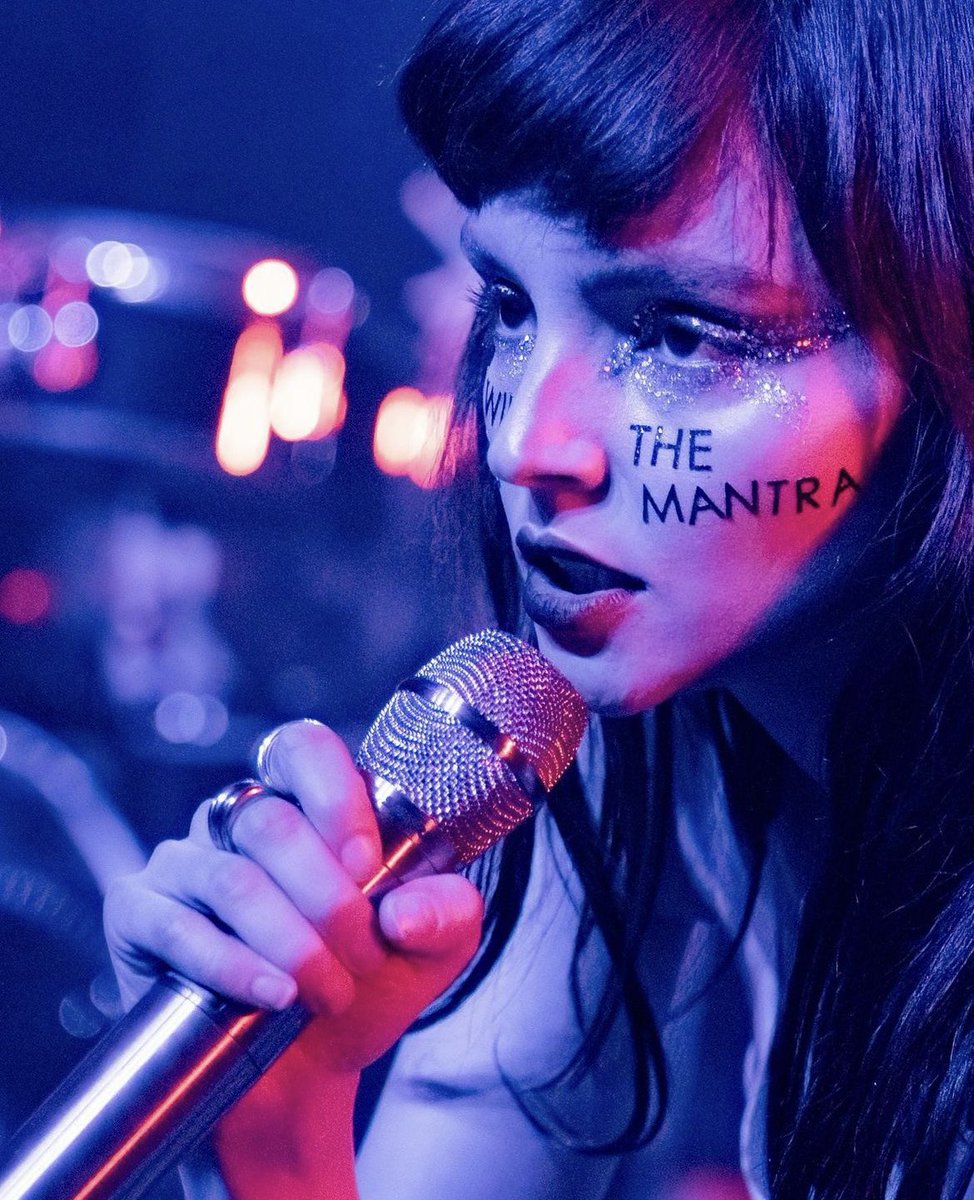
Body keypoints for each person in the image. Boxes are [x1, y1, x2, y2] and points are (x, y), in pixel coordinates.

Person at [104, 0, 974, 1196]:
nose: (520, 444)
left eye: (681, 336)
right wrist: (269, 1126)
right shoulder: (611, 733)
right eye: (508, 306)